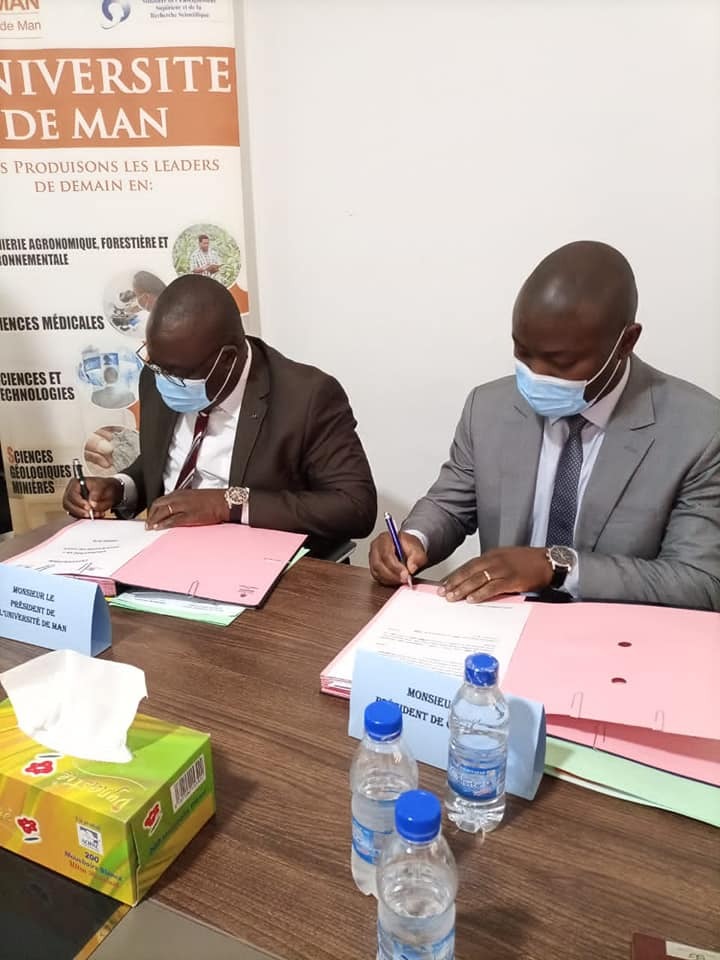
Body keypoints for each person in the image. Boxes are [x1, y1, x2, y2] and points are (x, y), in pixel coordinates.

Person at [369, 241, 720, 611]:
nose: (536, 375)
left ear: (626, 341)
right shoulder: (488, 407)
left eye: (562, 362)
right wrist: (413, 538)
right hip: (500, 622)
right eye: (523, 352)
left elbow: (701, 581)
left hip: (618, 631)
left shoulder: (698, 431)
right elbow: (450, 505)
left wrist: (556, 566)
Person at [63, 275, 377, 556]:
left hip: (260, 567)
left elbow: (354, 507)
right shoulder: (160, 374)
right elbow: (166, 461)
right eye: (156, 366)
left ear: (227, 360)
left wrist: (227, 503)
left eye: (178, 375)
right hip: (167, 555)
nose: (164, 381)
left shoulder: (307, 396)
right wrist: (120, 487)